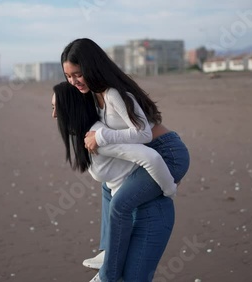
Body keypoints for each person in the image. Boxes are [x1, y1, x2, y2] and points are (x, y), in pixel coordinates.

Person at [61, 38, 190, 282]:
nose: (73, 81)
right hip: (146, 153)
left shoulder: (113, 93)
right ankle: (107, 249)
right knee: (107, 188)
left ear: (91, 67)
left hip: (167, 152)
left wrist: (101, 135)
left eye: (77, 74)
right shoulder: (94, 94)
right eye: (68, 76)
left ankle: (106, 276)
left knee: (120, 204)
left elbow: (143, 134)